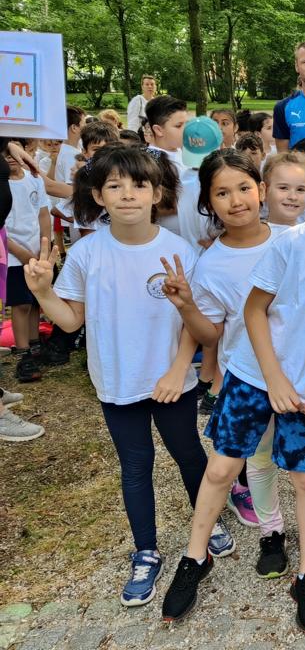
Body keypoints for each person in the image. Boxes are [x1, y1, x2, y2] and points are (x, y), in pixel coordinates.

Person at [163, 138, 305, 632]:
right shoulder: (291, 242)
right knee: (223, 469)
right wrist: (273, 378)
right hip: (254, 374)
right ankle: (194, 556)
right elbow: (254, 311)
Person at [26, 144, 220, 608]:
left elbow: (194, 325)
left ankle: (208, 525)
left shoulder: (179, 251)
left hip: (172, 383)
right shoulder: (87, 253)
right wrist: (44, 293)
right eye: (115, 186)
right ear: (99, 195)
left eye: (139, 185)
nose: (128, 194)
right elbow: (71, 321)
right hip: (116, 382)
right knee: (135, 466)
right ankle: (146, 551)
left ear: (157, 194)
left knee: (189, 456)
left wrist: (179, 370)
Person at [156, 149, 288, 587]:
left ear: (261, 190)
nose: (236, 201)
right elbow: (210, 336)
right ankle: (266, 534)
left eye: (244, 188)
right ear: (208, 203)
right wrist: (187, 306)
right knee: (249, 462)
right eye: (222, 193)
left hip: (302, 376)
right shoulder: (210, 265)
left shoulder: (292, 240)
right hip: (248, 379)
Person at [5, 139, 51, 383]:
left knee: (35, 301)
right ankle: (23, 354)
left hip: (37, 252)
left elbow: (43, 215)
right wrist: (21, 253)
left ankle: (35, 345)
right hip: (13, 255)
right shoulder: (2, 184)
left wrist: (45, 247)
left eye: (14, 152)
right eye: (4, 153)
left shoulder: (34, 180)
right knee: (20, 304)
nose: (10, 157)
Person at [263, 152, 305, 228]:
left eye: (300, 189)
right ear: (264, 191)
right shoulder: (254, 235)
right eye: (283, 188)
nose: (293, 197)